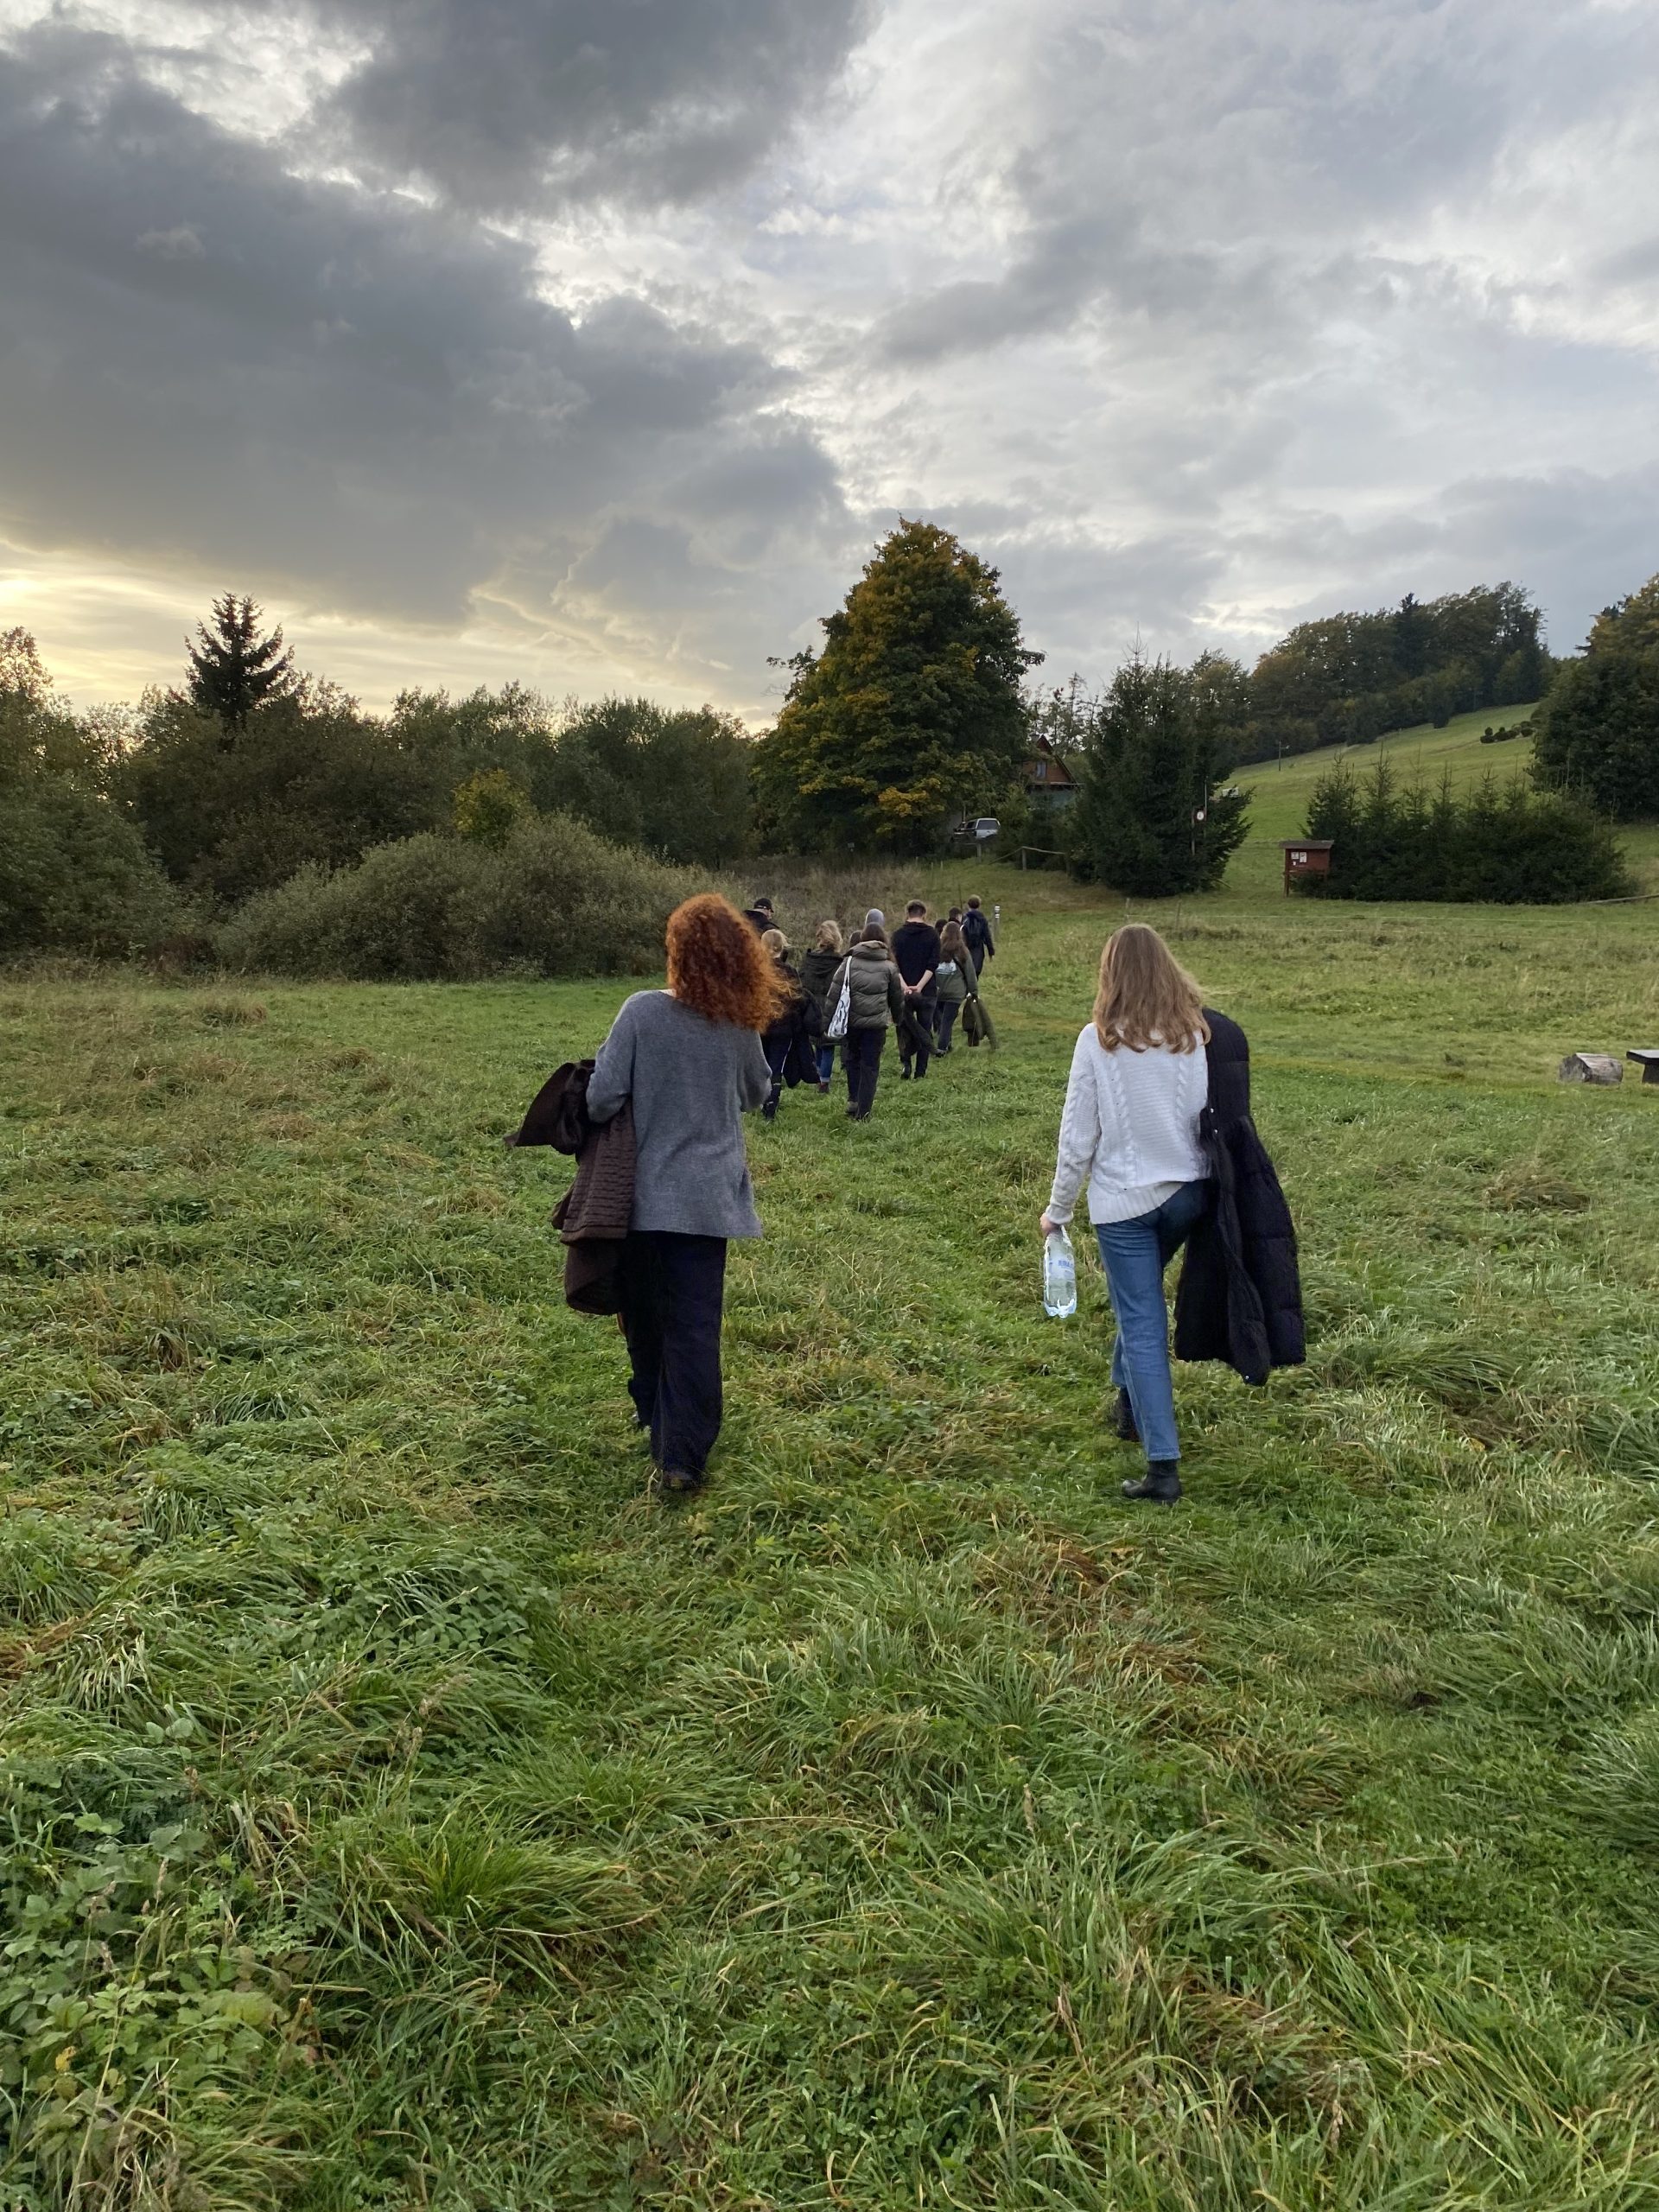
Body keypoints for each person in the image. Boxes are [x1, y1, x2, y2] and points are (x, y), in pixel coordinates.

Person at [587, 893, 786, 1497]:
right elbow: (758, 1093)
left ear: (677, 951)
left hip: (642, 1201)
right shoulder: (738, 1024)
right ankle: (683, 1458)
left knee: (644, 1320)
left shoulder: (640, 1013)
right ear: (738, 957)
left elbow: (600, 1098)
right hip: (707, 1204)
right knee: (694, 1329)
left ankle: (655, 1414)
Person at [1039, 924, 1214, 1507]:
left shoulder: (1098, 1041)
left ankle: (1163, 1467)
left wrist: (1056, 1211)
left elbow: (1077, 1135)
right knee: (1135, 1300)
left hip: (1125, 1206)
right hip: (1188, 1197)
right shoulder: (1197, 1037)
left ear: (1110, 973)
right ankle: (1127, 1404)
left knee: (1141, 1321)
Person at [826, 925, 906, 1121]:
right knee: (870, 1067)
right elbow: (896, 998)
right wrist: (898, 1018)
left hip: (852, 1022)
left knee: (852, 1060)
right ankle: (864, 1111)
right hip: (876, 1025)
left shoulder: (848, 963)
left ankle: (853, 1100)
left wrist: (826, 1021)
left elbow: (834, 993)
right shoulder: (889, 967)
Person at [889, 899, 942, 1079]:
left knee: (904, 1029)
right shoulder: (933, 935)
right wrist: (920, 985)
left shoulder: (897, 935)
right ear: (924, 914)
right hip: (927, 991)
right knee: (925, 1029)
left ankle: (906, 1065)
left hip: (902, 991)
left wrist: (904, 985)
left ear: (907, 913)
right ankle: (921, 1071)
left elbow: (894, 964)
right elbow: (933, 963)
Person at [759, 928, 806, 1120]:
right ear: (782, 947)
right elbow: (798, 1000)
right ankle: (771, 1106)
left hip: (760, 1025)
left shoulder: (756, 970)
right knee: (776, 1066)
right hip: (783, 1026)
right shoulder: (790, 972)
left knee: (760, 1064)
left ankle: (755, 1098)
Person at [798, 920, 845, 1094]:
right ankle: (824, 1082)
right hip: (831, 1008)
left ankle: (818, 1075)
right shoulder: (840, 963)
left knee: (817, 1044)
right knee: (828, 1047)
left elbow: (802, 982)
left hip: (812, 1007)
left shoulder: (810, 960)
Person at [931, 918, 977, 1053]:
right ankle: (942, 1047)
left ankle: (947, 1043)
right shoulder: (963, 952)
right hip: (956, 993)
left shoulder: (936, 950)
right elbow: (970, 973)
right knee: (947, 1021)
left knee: (941, 1019)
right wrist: (973, 991)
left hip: (938, 991)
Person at [961, 895, 995, 976]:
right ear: (979, 905)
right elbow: (987, 936)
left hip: (965, 948)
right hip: (978, 949)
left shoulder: (964, 919)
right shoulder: (982, 919)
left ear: (968, 905)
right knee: (976, 972)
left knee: (965, 972)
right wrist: (991, 951)